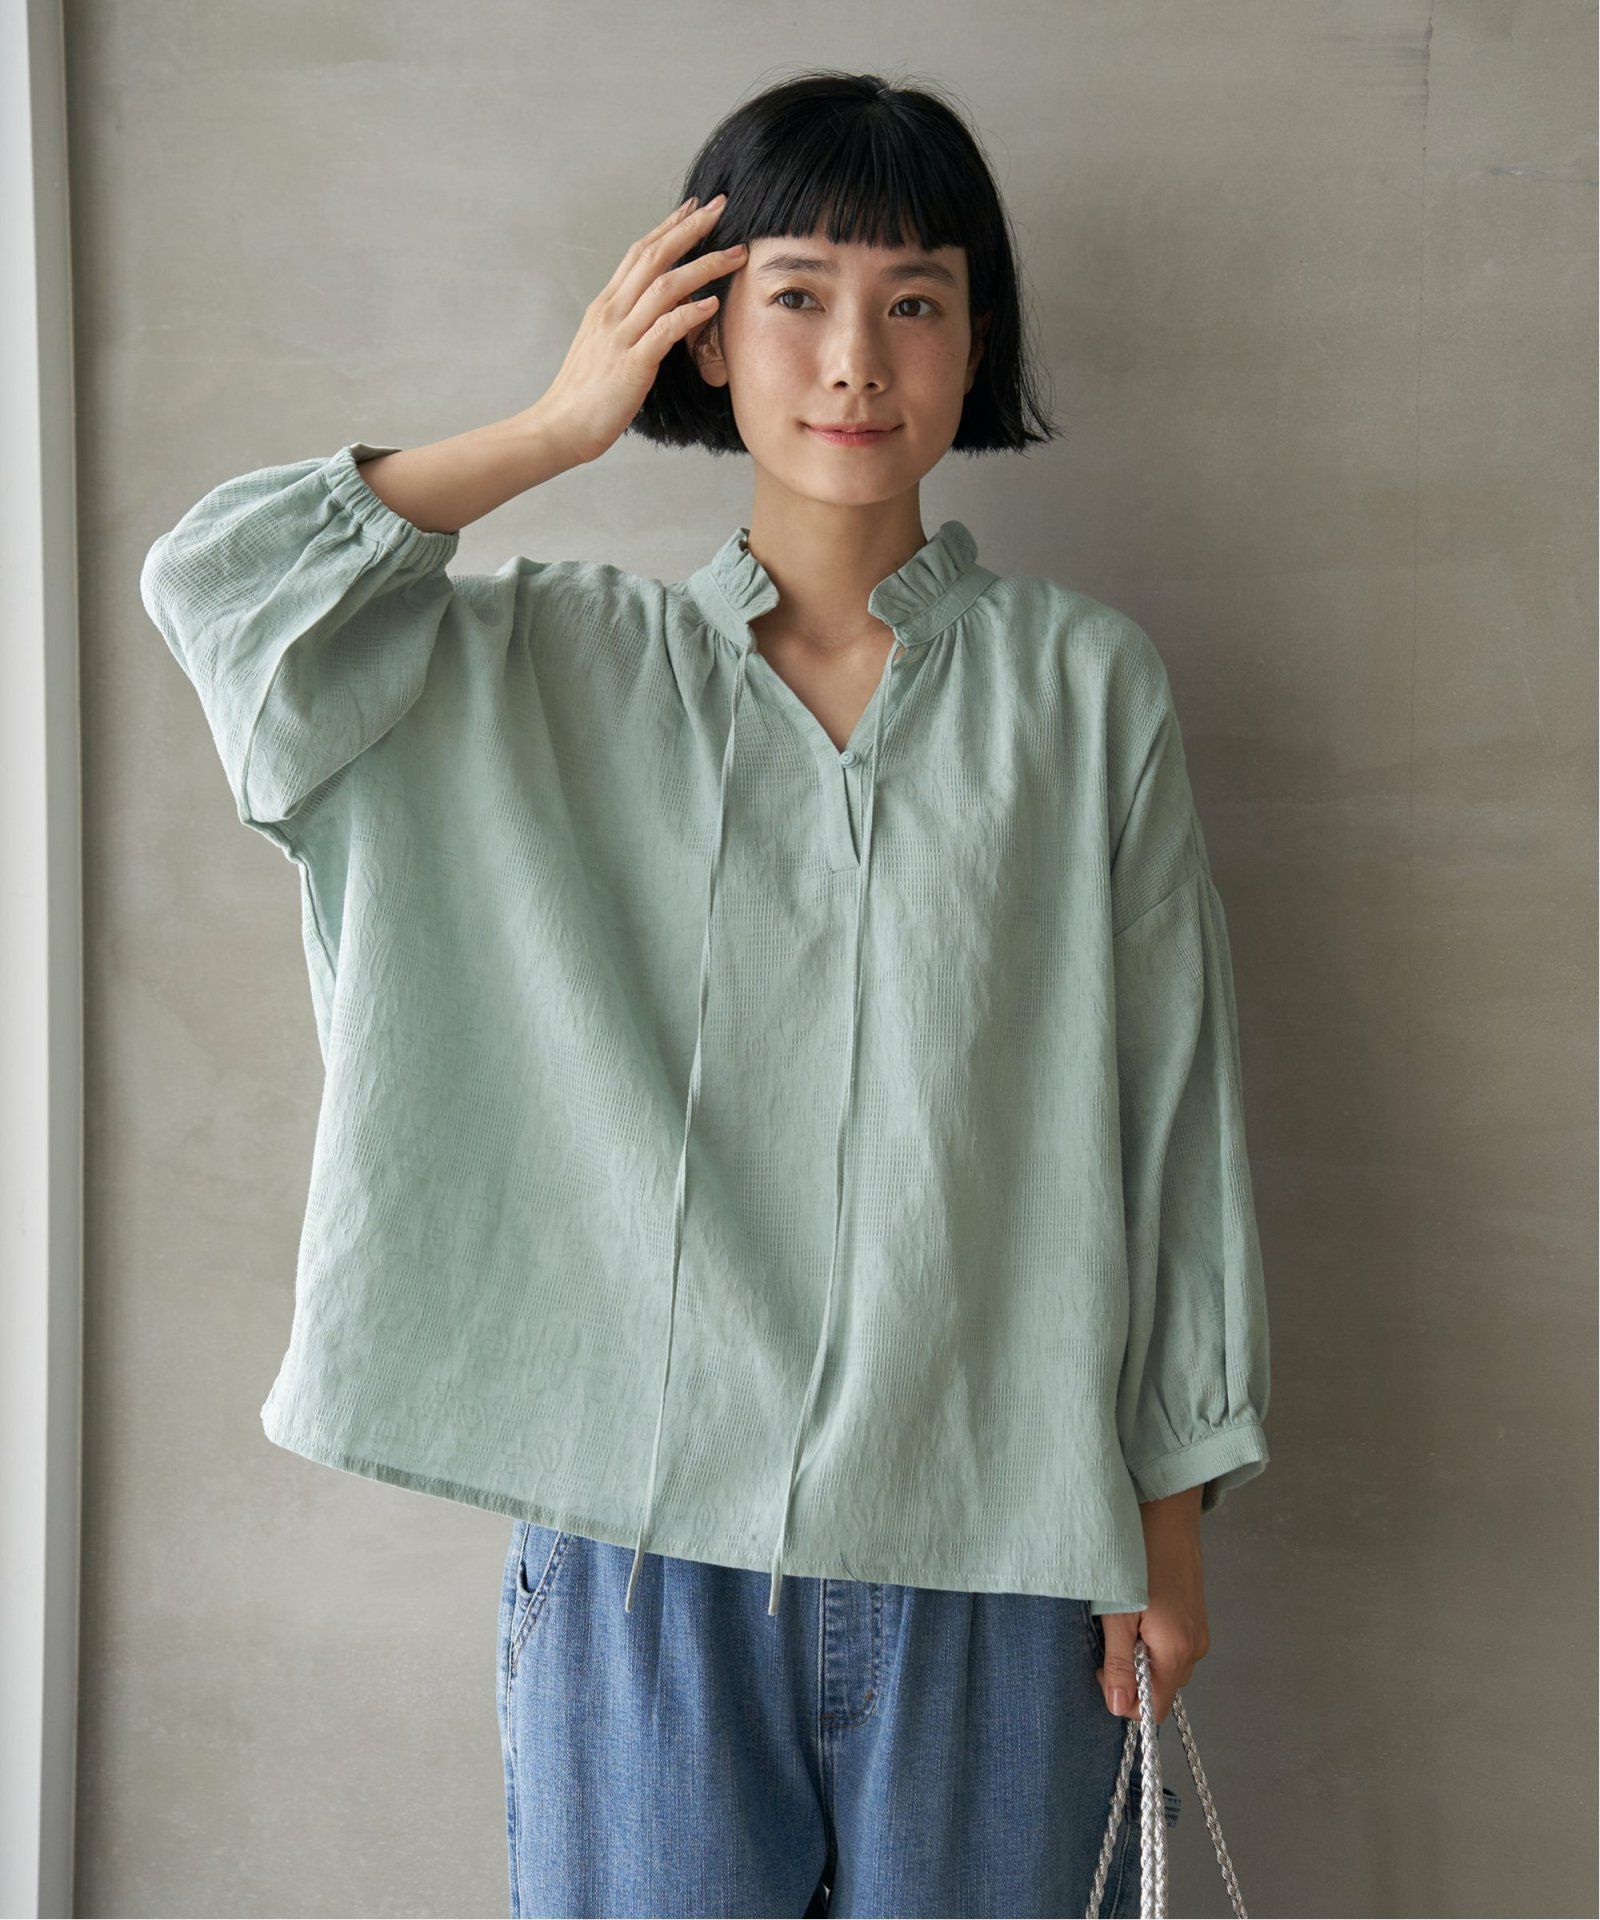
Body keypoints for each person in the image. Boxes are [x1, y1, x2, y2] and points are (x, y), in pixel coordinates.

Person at [141, 69, 1269, 1920]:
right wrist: (554, 427)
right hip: (635, 1559)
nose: (857, 359)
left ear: (977, 340)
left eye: (915, 300)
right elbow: (227, 591)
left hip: (1001, 1551)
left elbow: (1173, 1114)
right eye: (795, 294)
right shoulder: (551, 669)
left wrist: (1169, 1531)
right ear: (703, 331)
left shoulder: (1082, 691)